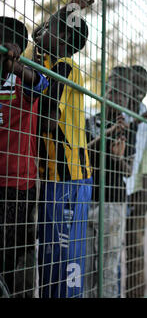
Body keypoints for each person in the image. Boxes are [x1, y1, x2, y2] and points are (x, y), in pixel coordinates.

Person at [33, 0, 95, 298]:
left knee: (66, 262)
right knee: (47, 260)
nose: (45, 28)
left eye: (54, 28)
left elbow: (44, 118)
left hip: (69, 176)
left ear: (64, 42)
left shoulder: (65, 69)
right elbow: (33, 36)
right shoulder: (41, 58)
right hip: (49, 177)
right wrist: (70, 6)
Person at [0, 17, 49, 298]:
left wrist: (16, 66)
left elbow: (39, 82)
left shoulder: (25, 78)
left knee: (16, 261)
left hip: (18, 188)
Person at [84, 67, 133, 298]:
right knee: (85, 267)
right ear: (104, 91)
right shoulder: (90, 121)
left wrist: (119, 158)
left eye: (121, 95)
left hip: (113, 203)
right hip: (87, 199)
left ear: (127, 99)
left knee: (107, 269)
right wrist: (110, 131)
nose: (115, 98)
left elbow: (129, 170)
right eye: (112, 91)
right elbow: (83, 152)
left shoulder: (129, 129)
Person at [123, 65, 147, 298]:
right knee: (112, 248)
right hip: (115, 186)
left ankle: (136, 294)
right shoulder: (116, 107)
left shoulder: (145, 112)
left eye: (144, 84)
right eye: (136, 82)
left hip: (136, 189)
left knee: (135, 248)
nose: (141, 88)